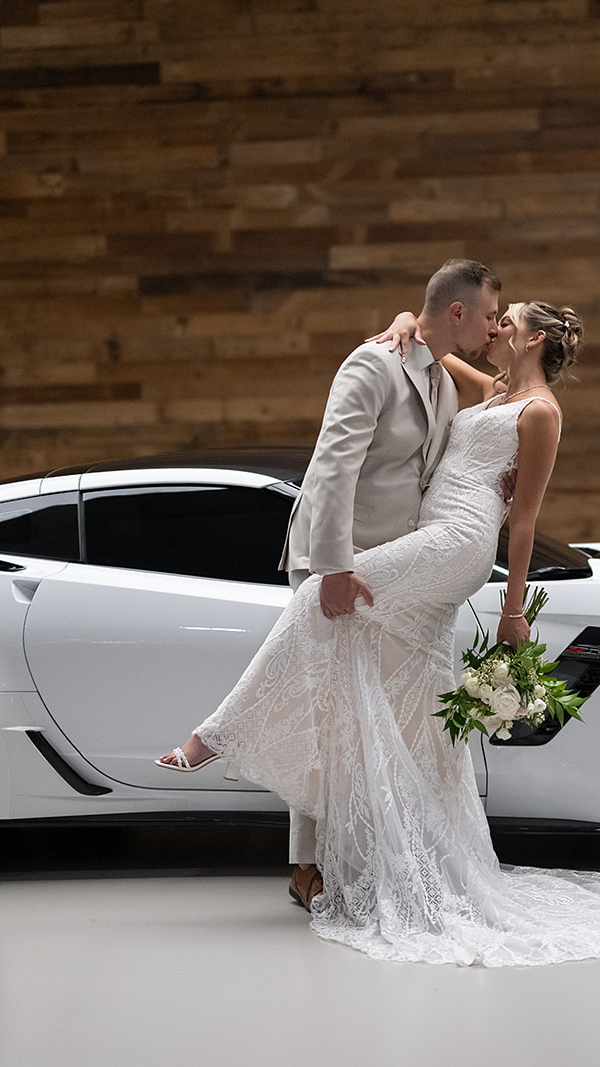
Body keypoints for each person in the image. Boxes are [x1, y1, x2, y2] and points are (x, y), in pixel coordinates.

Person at [161, 300, 600, 964]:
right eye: (494, 317)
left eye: (508, 320)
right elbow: (434, 347)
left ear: (529, 340)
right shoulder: (492, 389)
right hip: (432, 534)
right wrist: (409, 318)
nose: (496, 327)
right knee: (399, 679)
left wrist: (514, 608)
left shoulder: (541, 412)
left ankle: (215, 734)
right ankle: (398, 858)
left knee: (319, 601)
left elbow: (524, 519)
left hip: (459, 540)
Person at [158, 258, 501, 913]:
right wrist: (335, 564)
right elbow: (335, 466)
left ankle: (327, 859)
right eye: (487, 315)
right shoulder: (371, 364)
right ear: (458, 312)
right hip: (336, 554)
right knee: (324, 701)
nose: (492, 328)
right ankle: (302, 857)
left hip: (392, 563)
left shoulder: (443, 378)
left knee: (354, 707)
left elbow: (495, 404)